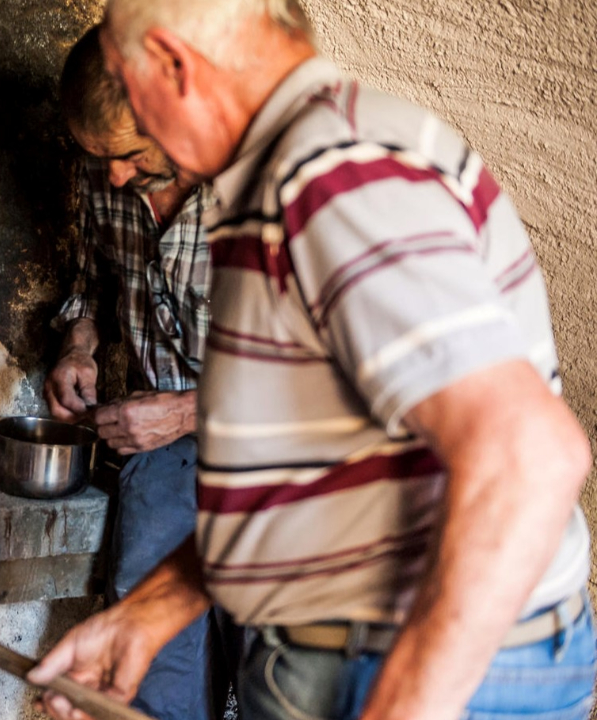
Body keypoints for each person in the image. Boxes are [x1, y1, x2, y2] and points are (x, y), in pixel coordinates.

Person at [29, 2, 596, 720]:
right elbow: (316, 465)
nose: (114, 173)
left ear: (174, 66)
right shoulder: (288, 179)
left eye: (127, 84)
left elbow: (527, 459)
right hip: (347, 652)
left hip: (412, 667)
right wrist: (149, 614)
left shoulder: (336, 180)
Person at [44, 26, 229, 720]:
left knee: (270, 655)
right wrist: (80, 345)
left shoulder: (273, 195)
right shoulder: (107, 172)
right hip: (165, 454)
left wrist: (184, 411)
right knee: (148, 647)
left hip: (278, 454)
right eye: (100, 158)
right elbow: (94, 278)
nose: (115, 176)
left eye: (128, 154)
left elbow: (323, 379)